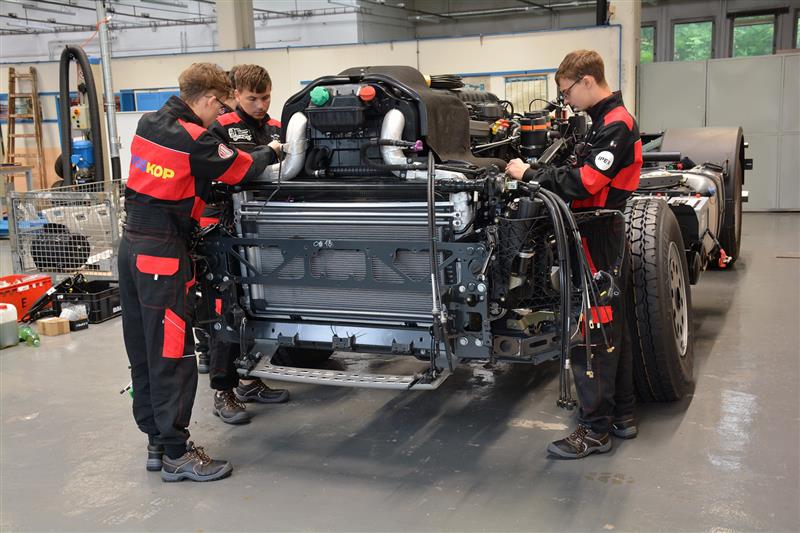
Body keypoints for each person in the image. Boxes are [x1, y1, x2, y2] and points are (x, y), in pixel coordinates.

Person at [119, 62, 274, 482]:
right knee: (173, 353)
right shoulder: (193, 138)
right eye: (219, 106)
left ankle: (157, 443)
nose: (219, 114)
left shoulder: (149, 123)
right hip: (162, 255)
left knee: (144, 351)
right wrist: (275, 151)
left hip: (131, 246)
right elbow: (243, 166)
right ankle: (176, 453)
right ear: (207, 99)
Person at [506, 49, 642, 459]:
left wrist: (530, 173)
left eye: (567, 92)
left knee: (592, 329)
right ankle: (621, 415)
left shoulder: (616, 123)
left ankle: (595, 430)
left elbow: (586, 181)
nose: (566, 100)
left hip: (598, 233)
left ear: (587, 81)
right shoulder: (604, 121)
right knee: (611, 326)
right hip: (598, 230)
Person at [202, 64, 289, 426]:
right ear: (235, 94)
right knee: (228, 310)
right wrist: (268, 153)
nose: (260, 104)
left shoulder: (278, 127)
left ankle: (249, 381)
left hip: (264, 231)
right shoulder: (220, 129)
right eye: (252, 98)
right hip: (224, 230)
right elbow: (230, 171)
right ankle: (223, 390)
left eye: (265, 97)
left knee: (260, 305)